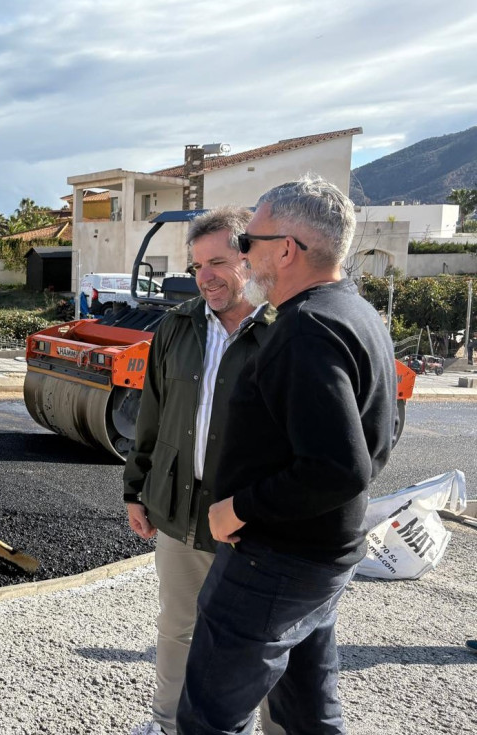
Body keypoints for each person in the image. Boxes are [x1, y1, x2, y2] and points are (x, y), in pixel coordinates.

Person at [177, 176, 397, 735]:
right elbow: (382, 432)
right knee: (307, 713)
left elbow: (337, 466)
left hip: (275, 563)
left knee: (210, 717)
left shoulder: (308, 329)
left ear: (286, 249)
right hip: (320, 556)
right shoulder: (357, 314)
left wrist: (239, 509)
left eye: (247, 243)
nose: (243, 255)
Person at [122, 207, 275, 735]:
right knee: (178, 629)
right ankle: (169, 724)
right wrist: (135, 487)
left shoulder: (283, 330)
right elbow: (153, 413)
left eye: (217, 262)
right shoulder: (178, 325)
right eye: (196, 266)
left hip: (250, 524)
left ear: (248, 257)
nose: (205, 276)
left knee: (258, 640)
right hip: (181, 513)